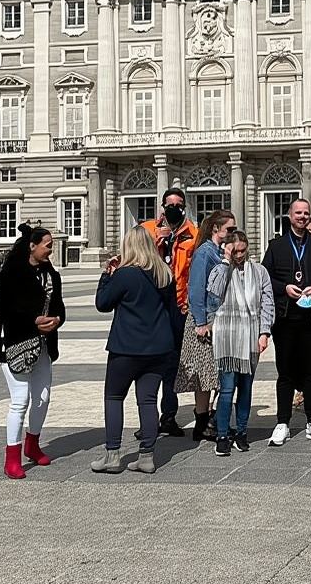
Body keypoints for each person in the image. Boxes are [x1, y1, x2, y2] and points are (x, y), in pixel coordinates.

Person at [92, 226, 184, 475]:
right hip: (158, 348)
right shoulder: (164, 273)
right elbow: (172, 311)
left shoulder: (125, 274)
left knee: (114, 398)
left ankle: (112, 455)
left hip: (126, 347)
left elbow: (103, 303)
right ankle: (146, 456)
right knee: (148, 400)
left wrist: (106, 276)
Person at [261, 198, 311, 446]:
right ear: (289, 215)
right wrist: (284, 287)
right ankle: (282, 422)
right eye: (298, 213)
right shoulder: (277, 246)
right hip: (286, 317)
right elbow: (265, 276)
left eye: (306, 213)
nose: (302, 217)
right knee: (285, 372)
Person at [0, 224, 64, 480]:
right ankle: (12, 457)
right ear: (32, 246)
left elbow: (59, 307)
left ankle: (32, 444)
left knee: (43, 397)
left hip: (44, 344)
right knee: (20, 400)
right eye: (48, 245)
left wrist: (56, 320)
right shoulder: (11, 273)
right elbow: (1, 311)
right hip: (16, 343)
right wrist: (33, 321)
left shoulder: (51, 275)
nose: (51, 250)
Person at [206, 230, 274, 456]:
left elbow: (267, 302)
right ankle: (222, 434)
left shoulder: (260, 271)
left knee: (246, 387)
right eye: (234, 251)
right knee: (226, 389)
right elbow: (213, 295)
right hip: (227, 336)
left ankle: (242, 432)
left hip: (251, 334)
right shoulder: (220, 269)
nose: (239, 255)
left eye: (242, 251)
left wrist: (264, 332)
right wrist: (225, 261)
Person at [141, 188, 199, 438]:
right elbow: (136, 259)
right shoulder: (147, 230)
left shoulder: (193, 234)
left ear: (184, 207)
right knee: (149, 362)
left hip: (178, 306)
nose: (174, 208)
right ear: (162, 207)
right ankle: (147, 419)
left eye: (179, 204)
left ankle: (169, 415)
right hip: (152, 305)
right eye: (170, 204)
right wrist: (157, 242)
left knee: (172, 363)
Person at [181, 209, 236, 441]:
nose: (232, 232)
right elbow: (196, 288)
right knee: (204, 375)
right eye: (229, 229)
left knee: (215, 373)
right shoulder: (204, 252)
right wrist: (201, 322)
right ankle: (202, 422)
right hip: (204, 320)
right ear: (216, 228)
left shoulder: (221, 250)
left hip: (220, 319)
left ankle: (212, 418)